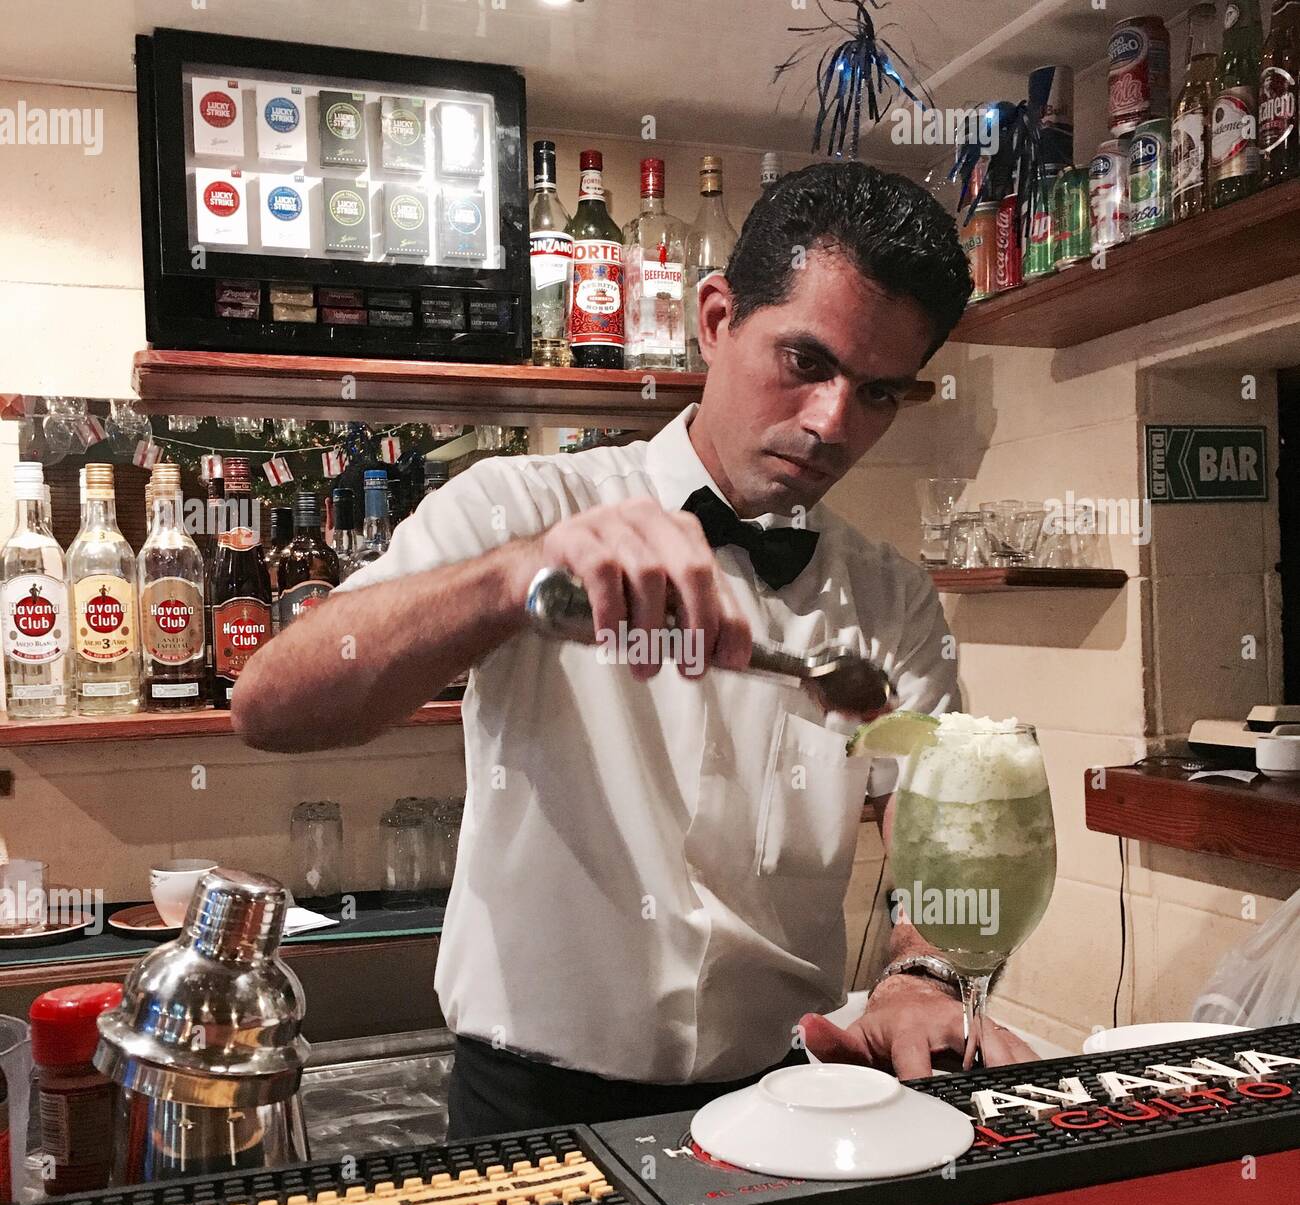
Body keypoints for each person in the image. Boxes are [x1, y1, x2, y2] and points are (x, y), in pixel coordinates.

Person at [233, 161, 1037, 1139]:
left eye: (875, 393)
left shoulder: (890, 596)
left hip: (785, 1096)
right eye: (805, 363)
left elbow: (932, 821)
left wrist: (919, 970)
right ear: (713, 320)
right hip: (529, 1108)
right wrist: (510, 581)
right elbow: (270, 704)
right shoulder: (517, 509)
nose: (832, 423)